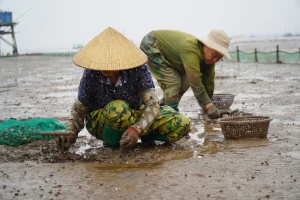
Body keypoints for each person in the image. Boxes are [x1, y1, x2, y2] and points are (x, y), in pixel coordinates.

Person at [60, 27, 191, 149]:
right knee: (118, 108)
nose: (104, 67)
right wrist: (71, 131)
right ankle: (112, 144)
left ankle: (142, 137)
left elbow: (152, 103)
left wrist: (138, 128)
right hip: (103, 120)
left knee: (182, 123)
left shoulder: (138, 68)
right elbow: (80, 108)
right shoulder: (91, 73)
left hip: (134, 114)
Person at [140, 29, 231, 119]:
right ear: (206, 46)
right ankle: (171, 118)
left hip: (170, 53)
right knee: (173, 84)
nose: (215, 60)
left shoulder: (209, 59)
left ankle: (160, 110)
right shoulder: (191, 49)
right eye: (214, 55)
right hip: (151, 44)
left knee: (184, 84)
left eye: (219, 57)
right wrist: (207, 105)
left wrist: (208, 107)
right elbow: (195, 82)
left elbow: (208, 82)